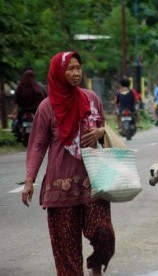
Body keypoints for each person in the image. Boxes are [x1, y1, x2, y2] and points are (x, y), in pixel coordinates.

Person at [21, 51, 115, 276]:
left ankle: (95, 262)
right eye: (70, 69)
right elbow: (37, 146)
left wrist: (102, 131)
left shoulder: (92, 99)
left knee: (104, 233)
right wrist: (29, 181)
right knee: (67, 250)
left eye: (78, 68)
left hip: (93, 183)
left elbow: (105, 131)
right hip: (59, 190)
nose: (76, 73)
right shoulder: (47, 107)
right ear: (58, 72)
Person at [11, 68, 47, 140]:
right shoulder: (38, 87)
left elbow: (16, 100)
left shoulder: (20, 86)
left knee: (17, 121)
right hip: (35, 109)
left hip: (23, 110)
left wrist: (15, 112)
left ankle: (16, 131)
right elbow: (44, 98)